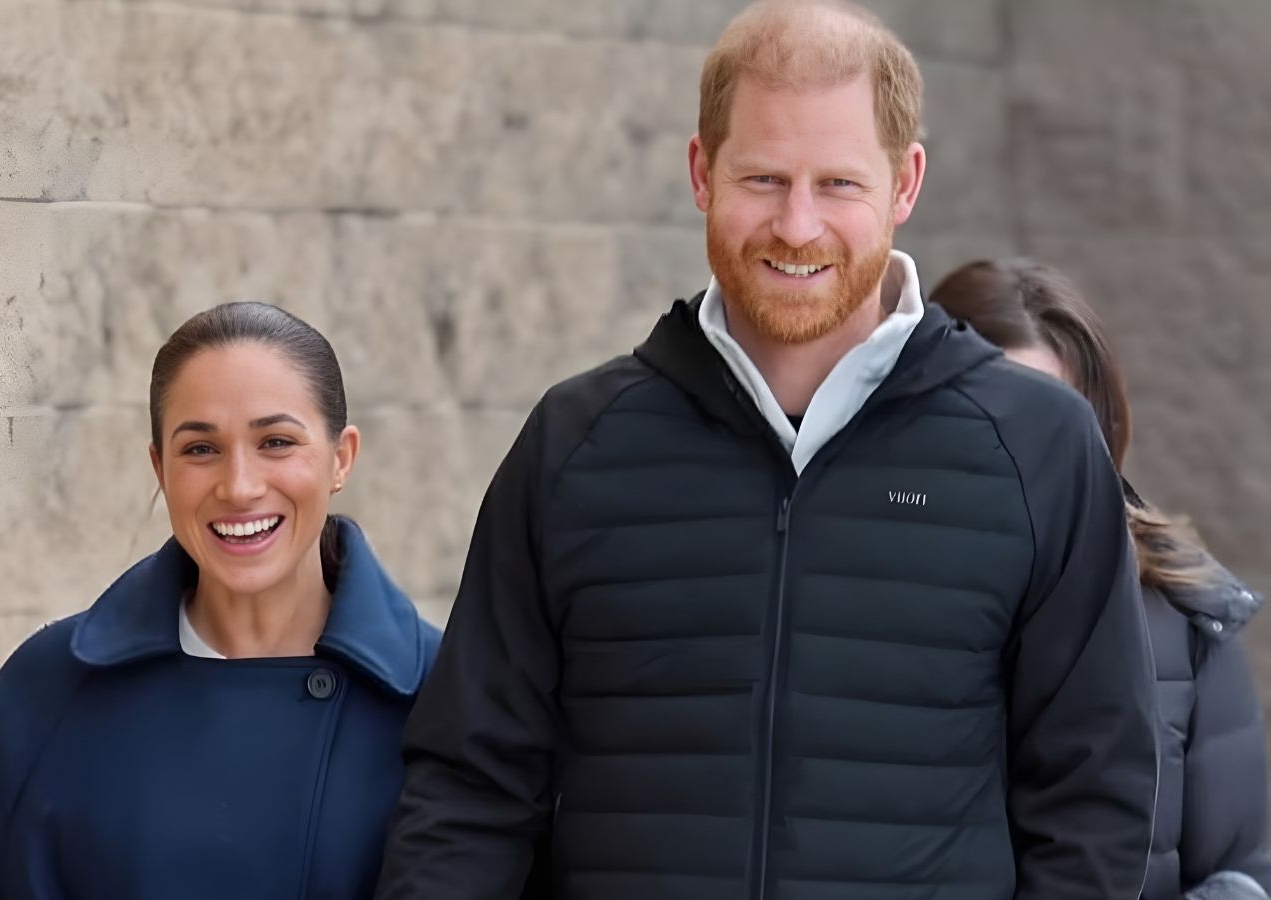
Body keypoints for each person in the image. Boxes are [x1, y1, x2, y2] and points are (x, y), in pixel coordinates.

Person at [376, 2, 1158, 898]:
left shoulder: (1037, 448)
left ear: (905, 185)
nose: (795, 225)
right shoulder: (575, 445)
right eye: (763, 179)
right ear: (702, 171)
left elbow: (1093, 798)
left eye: (838, 184)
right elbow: (472, 788)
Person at [0, 302, 441, 899]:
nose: (239, 486)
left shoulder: (439, 700)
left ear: (341, 458)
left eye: (277, 442)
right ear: (159, 466)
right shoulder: (50, 689)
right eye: (200, 450)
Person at [930, 258, 1271, 900]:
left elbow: (1236, 876)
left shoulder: (1185, 617)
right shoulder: (859, 597)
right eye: (996, 424)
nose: (1026, 458)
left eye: (1059, 425)